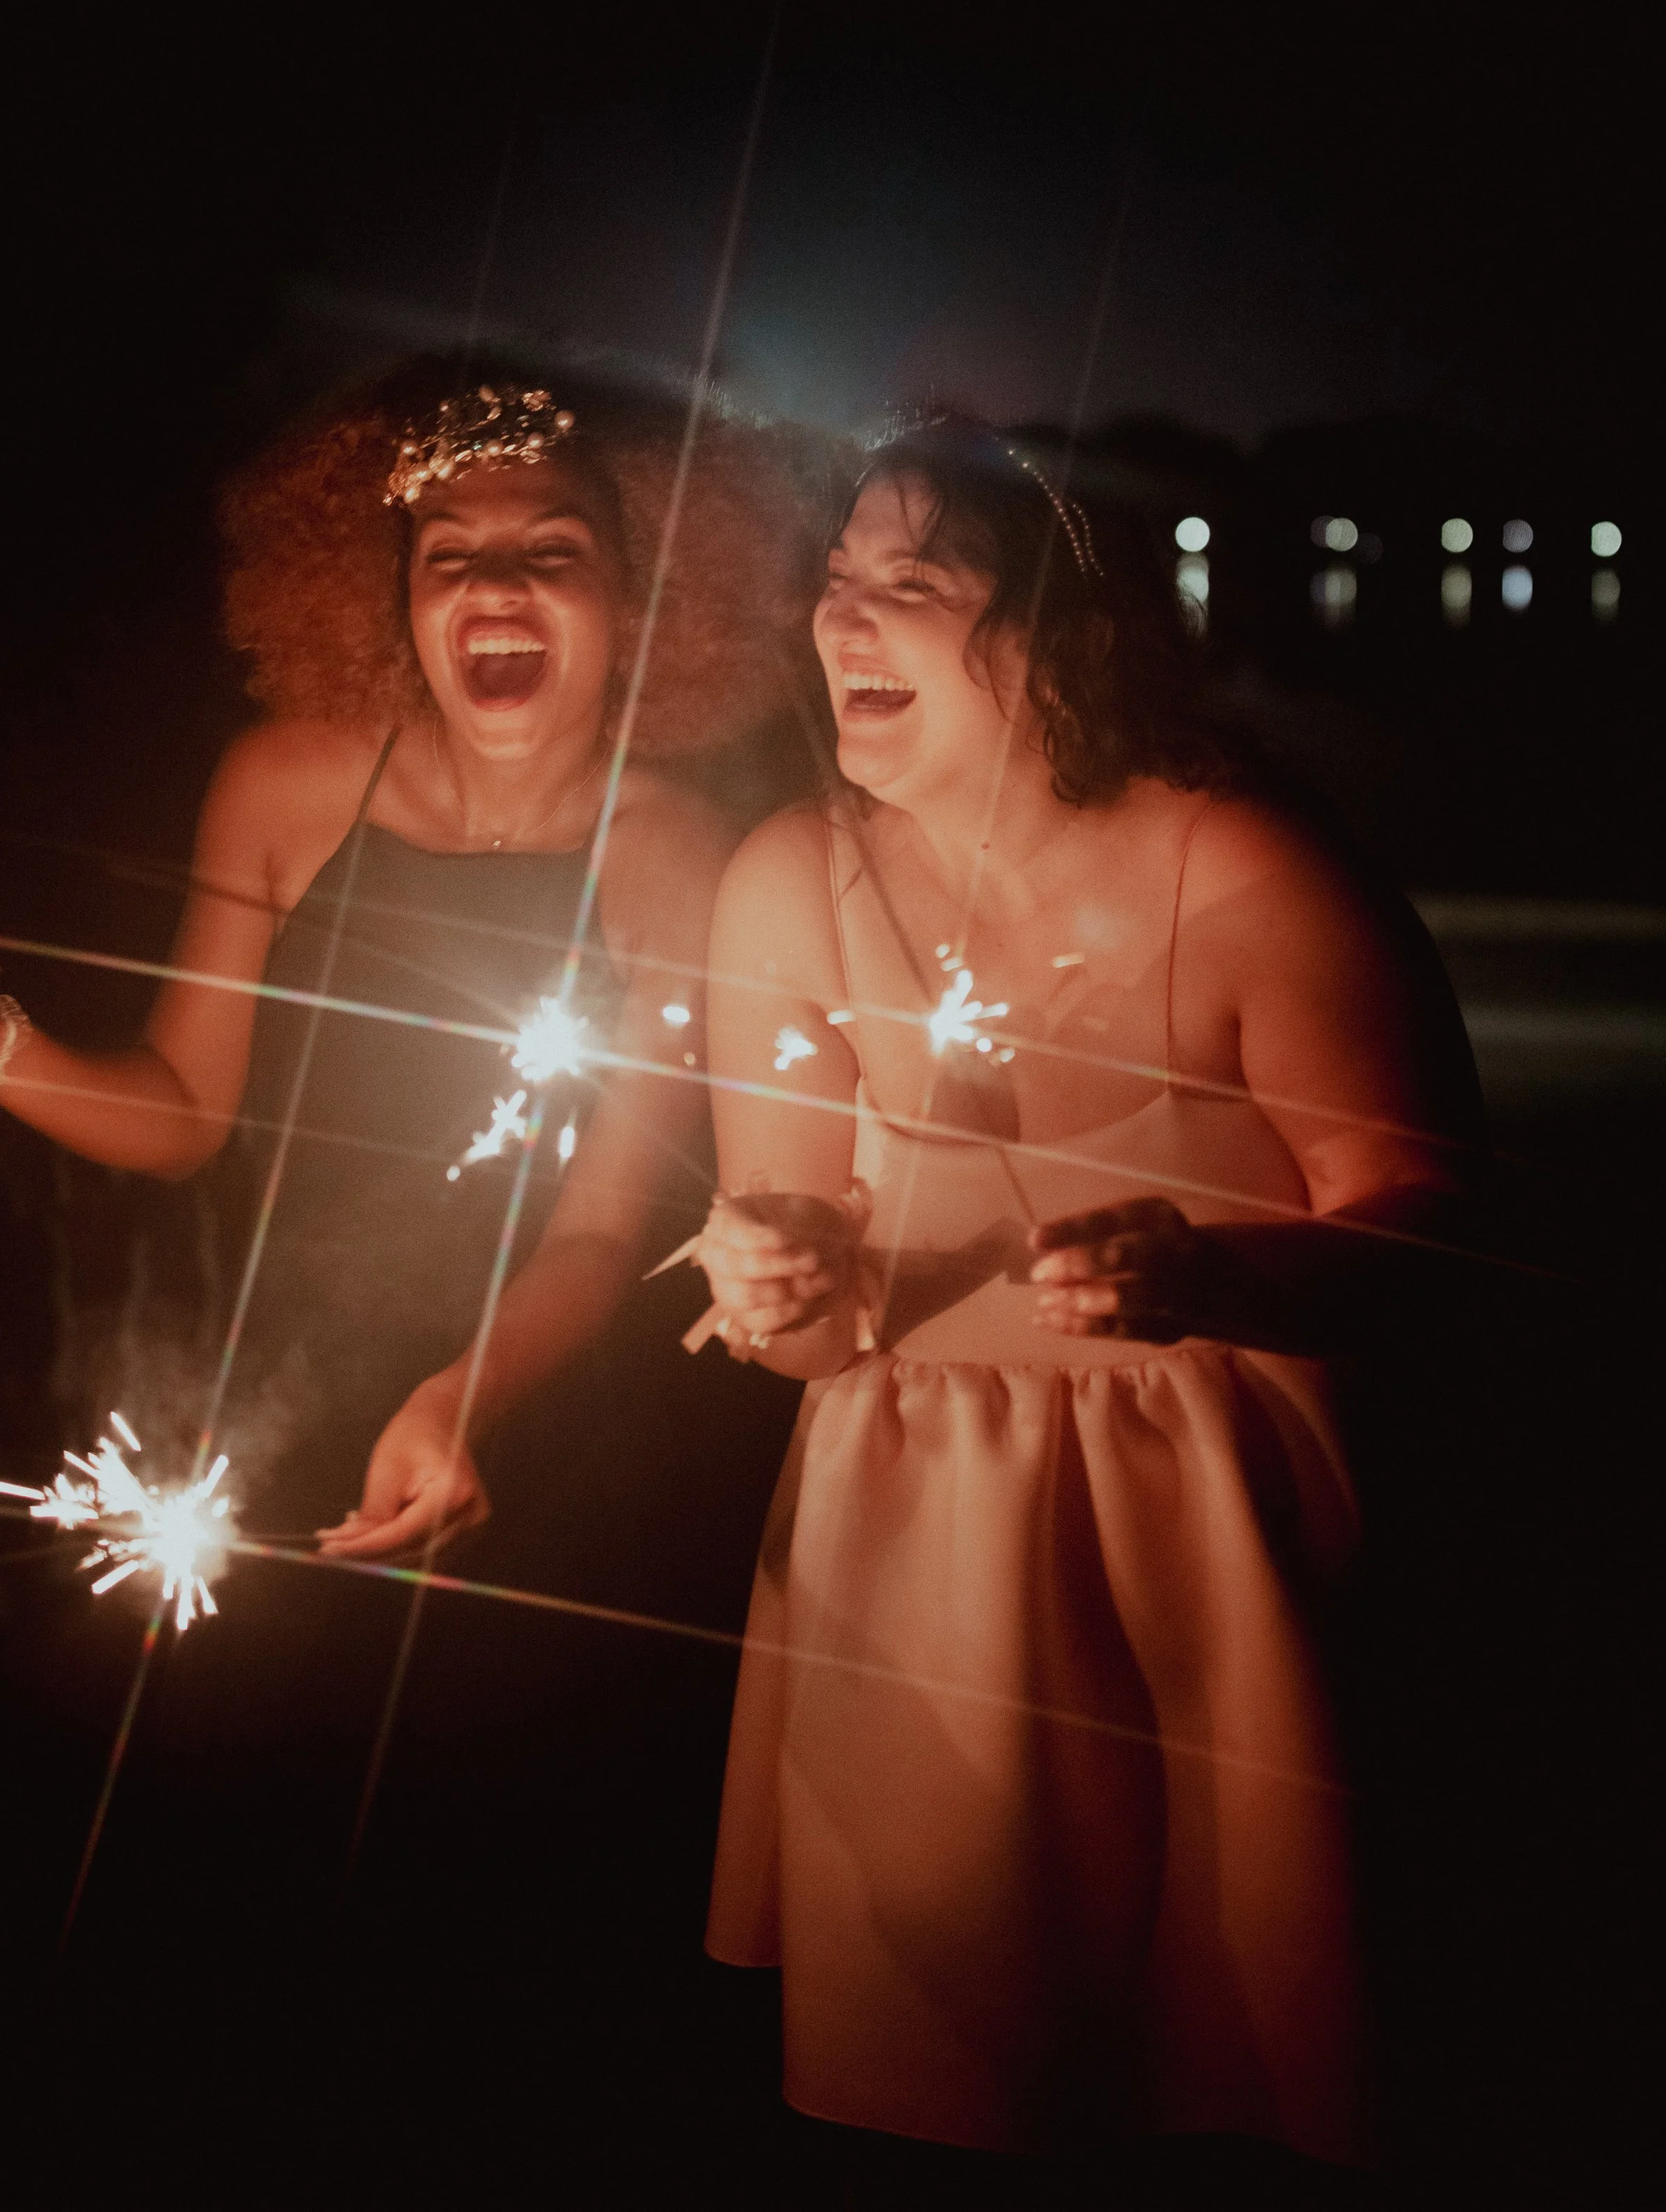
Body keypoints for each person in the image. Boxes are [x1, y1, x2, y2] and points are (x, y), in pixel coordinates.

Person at [691, 416, 1481, 2167]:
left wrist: (1210, 1267)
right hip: (908, 1560)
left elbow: (1437, 1220)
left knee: (1231, 2074)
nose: (844, 624)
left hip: (1213, 1548)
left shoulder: (1247, 870)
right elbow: (806, 1330)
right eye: (834, 582)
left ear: (1060, 627)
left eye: (913, 584)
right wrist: (778, 1274)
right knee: (947, 2083)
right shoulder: (780, 886)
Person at [0, 358, 805, 1551]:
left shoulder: (685, 858)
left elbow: (598, 1233)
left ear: (636, 603)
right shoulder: (284, 788)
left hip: (530, 1427)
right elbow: (185, 1115)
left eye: (552, 551)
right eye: (449, 553)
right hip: (263, 1399)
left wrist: (454, 1403)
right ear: (398, 597)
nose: (496, 584)